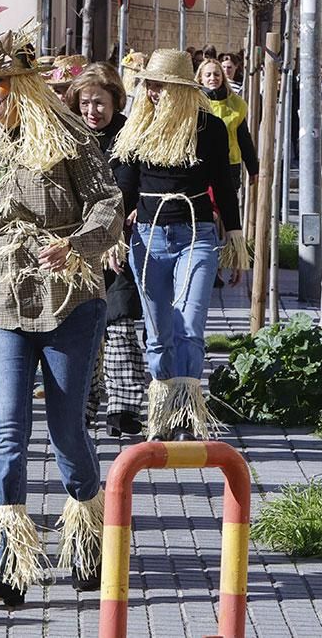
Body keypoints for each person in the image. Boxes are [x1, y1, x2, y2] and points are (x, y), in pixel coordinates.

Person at [0, 23, 123, 605]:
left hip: (69, 301)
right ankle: (4, 560)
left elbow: (109, 204)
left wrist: (79, 243)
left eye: (1, 81)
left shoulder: (67, 138)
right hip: (2, 305)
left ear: (24, 83)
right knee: (7, 428)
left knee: (66, 430)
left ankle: (87, 535)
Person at [110, 49, 247, 442]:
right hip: (149, 238)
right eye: (149, 84)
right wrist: (115, 239)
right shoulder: (136, 128)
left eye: (160, 85)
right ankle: (162, 414)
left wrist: (234, 237)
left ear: (181, 88)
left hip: (197, 235)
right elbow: (123, 188)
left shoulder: (210, 128)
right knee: (157, 333)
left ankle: (188, 413)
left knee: (190, 326)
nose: (152, 92)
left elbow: (224, 185)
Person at [66, 62, 146, 437]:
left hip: (119, 240)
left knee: (120, 321)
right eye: (85, 104)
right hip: (75, 240)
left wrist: (117, 228)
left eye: (99, 103)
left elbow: (130, 185)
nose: (91, 112)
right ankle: (82, 404)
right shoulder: (69, 135)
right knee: (81, 327)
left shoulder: (130, 136)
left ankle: (124, 407)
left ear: (115, 101)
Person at [197, 59, 260, 205]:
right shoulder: (193, 102)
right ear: (201, 78)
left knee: (227, 210)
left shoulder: (235, 104)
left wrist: (253, 168)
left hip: (229, 165)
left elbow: (244, 138)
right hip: (201, 165)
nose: (213, 78)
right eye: (208, 75)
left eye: (216, 74)